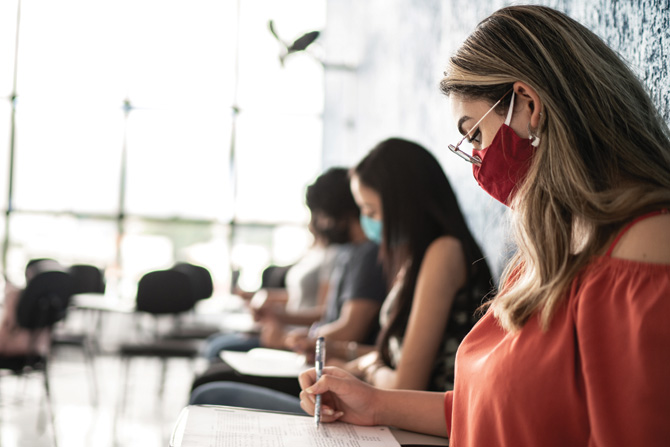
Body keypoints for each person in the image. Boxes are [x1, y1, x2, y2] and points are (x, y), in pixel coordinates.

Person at [298, 5, 670, 446]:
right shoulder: (549, 250)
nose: (477, 159)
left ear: (529, 105)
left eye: (474, 134)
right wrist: (374, 402)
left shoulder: (644, 247)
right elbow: (482, 407)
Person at [190, 167, 387, 397]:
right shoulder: (348, 253)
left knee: (210, 383)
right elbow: (330, 317)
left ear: (337, 215)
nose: (316, 223)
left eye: (320, 215)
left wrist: (288, 340)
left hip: (331, 364)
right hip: (319, 355)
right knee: (213, 370)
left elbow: (350, 329)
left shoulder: (369, 256)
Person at [334, 137, 493, 391]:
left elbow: (404, 385)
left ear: (405, 205)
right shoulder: (417, 256)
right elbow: (398, 357)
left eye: (371, 211)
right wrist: (346, 362)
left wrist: (369, 368)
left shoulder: (444, 253)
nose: (366, 222)